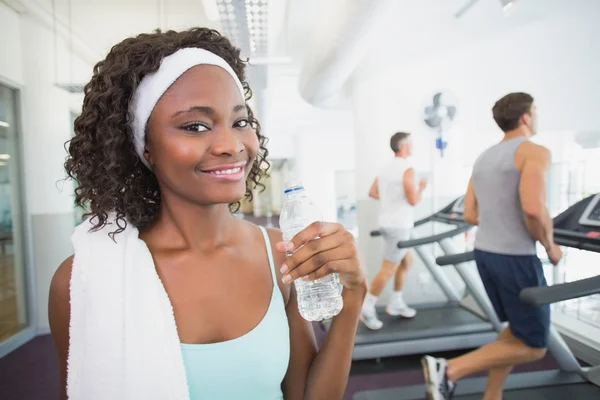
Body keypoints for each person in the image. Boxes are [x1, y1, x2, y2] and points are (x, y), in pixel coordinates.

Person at [48, 28, 367, 400]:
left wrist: (353, 295)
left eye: (240, 121)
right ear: (145, 147)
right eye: (195, 126)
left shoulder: (282, 256)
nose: (232, 146)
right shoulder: (84, 279)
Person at [422, 92, 563, 400]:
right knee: (535, 346)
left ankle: (492, 395)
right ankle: (448, 370)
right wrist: (551, 247)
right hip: (516, 257)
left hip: (486, 253)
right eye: (535, 111)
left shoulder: (484, 157)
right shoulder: (534, 151)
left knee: (516, 329)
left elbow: (471, 214)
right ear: (526, 116)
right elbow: (534, 208)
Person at [360, 132, 427, 330]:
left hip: (389, 223)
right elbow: (413, 200)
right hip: (399, 225)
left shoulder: (385, 168)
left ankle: (396, 302)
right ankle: (367, 306)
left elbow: (372, 192)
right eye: (412, 143)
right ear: (404, 145)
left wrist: (391, 202)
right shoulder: (407, 169)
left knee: (406, 261)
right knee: (388, 268)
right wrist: (421, 188)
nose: (413, 146)